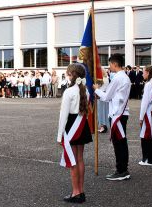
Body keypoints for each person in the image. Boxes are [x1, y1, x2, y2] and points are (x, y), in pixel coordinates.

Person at [57, 63, 92, 204]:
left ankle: (75, 192)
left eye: (67, 72)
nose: (66, 74)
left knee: (72, 161)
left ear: (72, 75)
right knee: (80, 159)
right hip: (81, 125)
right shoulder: (86, 91)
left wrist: (59, 135)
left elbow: (63, 115)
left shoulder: (69, 91)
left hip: (72, 126)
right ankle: (81, 190)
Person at [93, 54, 131, 181]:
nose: (109, 67)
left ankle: (121, 170)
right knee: (121, 142)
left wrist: (96, 90)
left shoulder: (117, 78)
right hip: (121, 113)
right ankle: (122, 168)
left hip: (117, 115)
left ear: (115, 64)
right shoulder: (124, 77)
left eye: (110, 64)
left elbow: (106, 97)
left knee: (119, 143)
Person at [97, 69, 109, 133]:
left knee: (101, 112)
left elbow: (97, 87)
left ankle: (102, 126)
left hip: (101, 96)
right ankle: (105, 126)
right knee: (105, 111)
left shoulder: (102, 79)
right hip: (105, 96)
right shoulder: (106, 78)